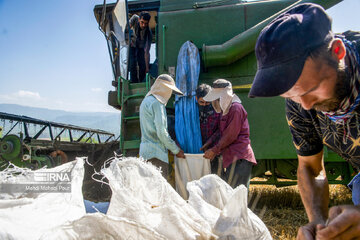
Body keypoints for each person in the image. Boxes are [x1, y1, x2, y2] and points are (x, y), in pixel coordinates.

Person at [248, 3, 360, 239]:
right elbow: (310, 167)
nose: (306, 105)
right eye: (292, 95)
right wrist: (319, 222)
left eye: (313, 89)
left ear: (337, 52)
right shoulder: (301, 101)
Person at [201, 79, 257, 188]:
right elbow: (220, 131)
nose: (214, 102)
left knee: (237, 194)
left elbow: (230, 135)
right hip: (233, 158)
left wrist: (214, 150)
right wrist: (209, 142)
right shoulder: (225, 110)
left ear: (223, 97)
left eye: (216, 99)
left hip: (240, 157)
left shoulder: (236, 108)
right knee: (232, 193)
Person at [139, 74, 185, 179]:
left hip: (145, 154)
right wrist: (176, 150)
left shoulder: (145, 101)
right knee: (159, 191)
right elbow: (162, 132)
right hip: (157, 155)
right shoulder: (157, 104)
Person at [195, 84, 222, 175]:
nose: (204, 105)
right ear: (196, 99)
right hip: (198, 150)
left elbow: (220, 129)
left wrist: (209, 143)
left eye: (207, 103)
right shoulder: (192, 111)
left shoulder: (217, 110)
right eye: (201, 102)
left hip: (214, 151)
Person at [129, 11, 152, 83]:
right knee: (132, 64)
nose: (144, 25)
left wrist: (147, 68)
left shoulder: (148, 33)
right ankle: (134, 82)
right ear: (139, 19)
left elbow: (147, 52)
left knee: (142, 66)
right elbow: (126, 28)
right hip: (132, 45)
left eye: (146, 23)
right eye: (142, 22)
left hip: (141, 48)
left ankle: (141, 82)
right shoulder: (135, 18)